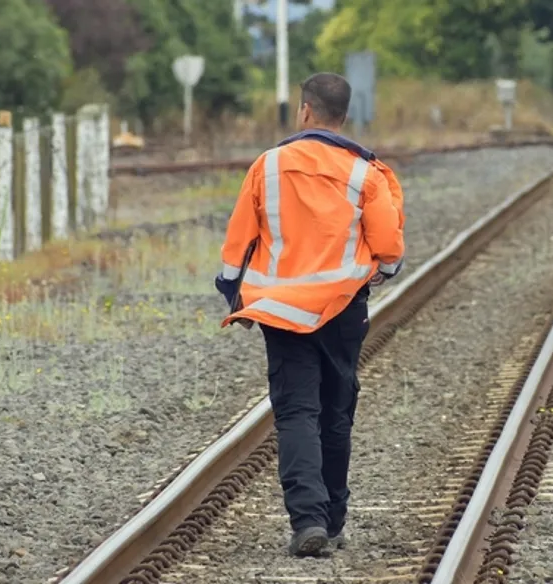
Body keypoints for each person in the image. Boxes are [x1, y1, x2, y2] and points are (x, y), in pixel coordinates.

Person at [213, 72, 406, 557]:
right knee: (336, 411)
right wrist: (381, 271)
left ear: (304, 110)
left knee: (297, 411)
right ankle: (333, 520)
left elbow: (237, 244)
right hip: (342, 309)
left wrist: (233, 291)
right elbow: (389, 249)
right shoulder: (366, 173)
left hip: (282, 311)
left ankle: (308, 522)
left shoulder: (268, 166)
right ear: (344, 115)